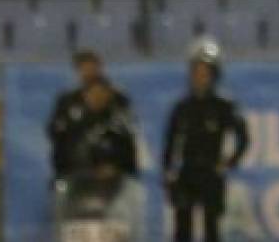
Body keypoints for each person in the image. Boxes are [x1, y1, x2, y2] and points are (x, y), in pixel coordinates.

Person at [162, 38, 248, 242]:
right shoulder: (182, 107)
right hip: (187, 171)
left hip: (211, 172)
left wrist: (230, 161)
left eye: (205, 72)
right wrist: (168, 173)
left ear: (214, 75)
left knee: (212, 228)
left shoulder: (223, 105)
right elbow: (170, 142)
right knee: (182, 229)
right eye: (197, 72)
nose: (201, 77)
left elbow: (243, 137)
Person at [52, 76, 141, 238]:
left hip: (114, 193)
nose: (97, 97)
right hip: (77, 192)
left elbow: (130, 159)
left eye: (101, 93)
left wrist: (114, 169)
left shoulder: (120, 126)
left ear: (108, 95)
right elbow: (62, 157)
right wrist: (84, 171)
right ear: (85, 95)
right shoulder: (73, 125)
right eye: (92, 93)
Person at [47, 49, 131, 180]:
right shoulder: (67, 101)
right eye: (84, 68)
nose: (88, 72)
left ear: (99, 67)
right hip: (73, 171)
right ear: (78, 71)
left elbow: (126, 138)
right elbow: (55, 132)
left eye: (92, 67)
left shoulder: (118, 100)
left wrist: (117, 165)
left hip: (113, 174)